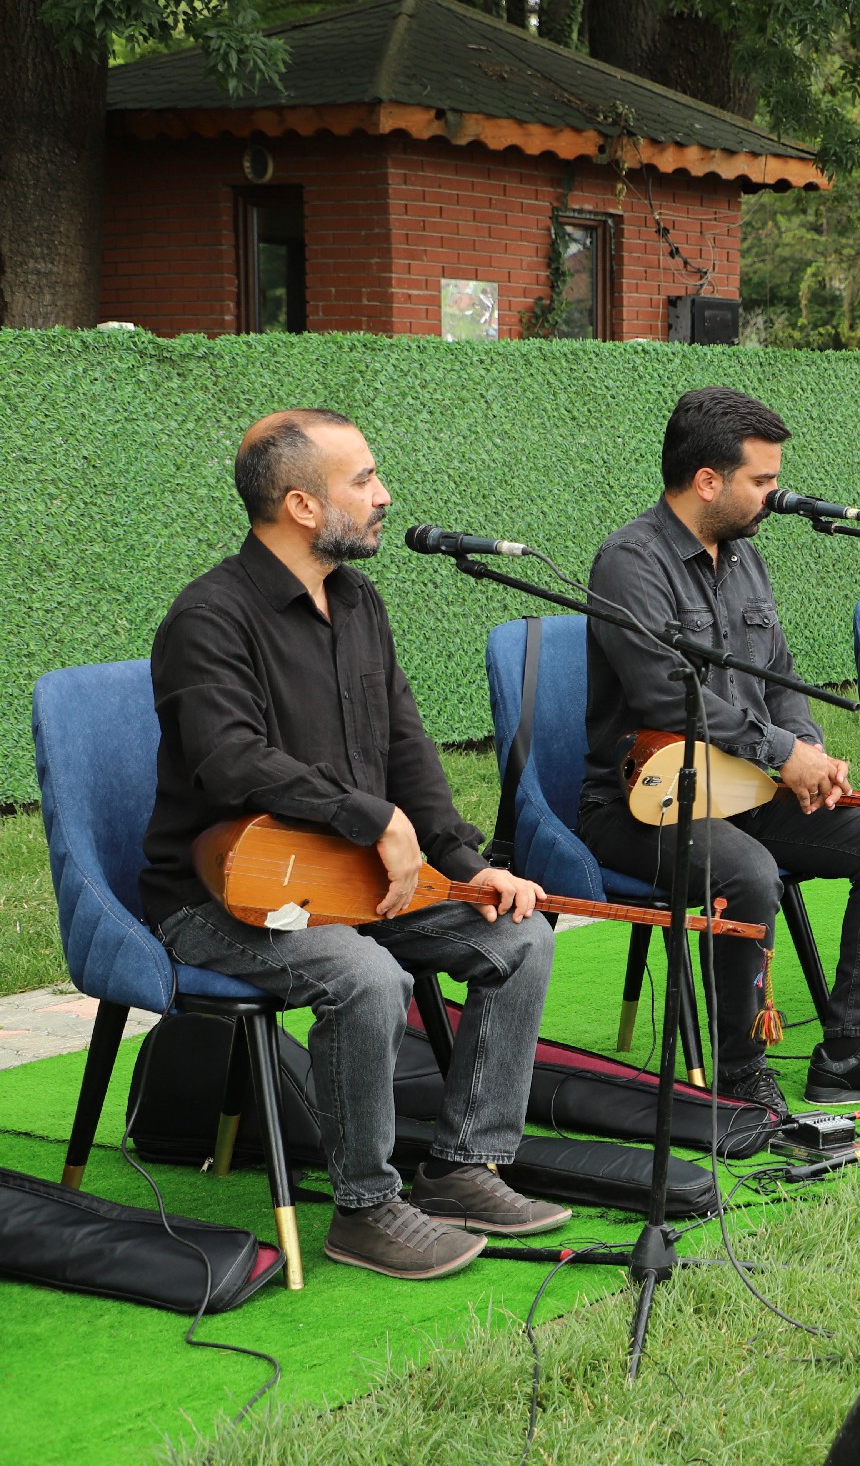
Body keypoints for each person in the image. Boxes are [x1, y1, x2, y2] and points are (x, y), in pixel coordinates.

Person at [144, 409, 567, 1282]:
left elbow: (405, 748)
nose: (384, 497)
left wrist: (468, 863)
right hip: (222, 897)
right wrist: (362, 815)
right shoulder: (208, 617)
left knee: (518, 936)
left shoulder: (361, 600)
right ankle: (366, 1209)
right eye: (364, 481)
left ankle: (462, 1166)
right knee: (367, 977)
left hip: (353, 882)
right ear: (302, 504)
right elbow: (228, 762)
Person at [580, 387, 860, 1110]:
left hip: (750, 789)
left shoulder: (744, 558)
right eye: (762, 481)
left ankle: (851, 1049)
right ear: (708, 481)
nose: (775, 497)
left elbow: (777, 676)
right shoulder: (629, 561)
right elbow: (665, 695)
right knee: (749, 874)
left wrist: (805, 749)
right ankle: (741, 1079)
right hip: (644, 804)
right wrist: (784, 753)